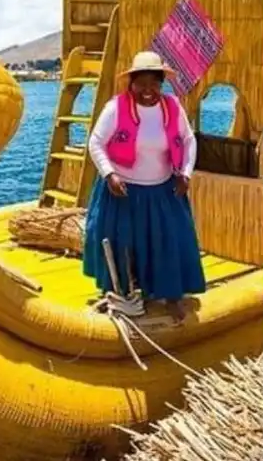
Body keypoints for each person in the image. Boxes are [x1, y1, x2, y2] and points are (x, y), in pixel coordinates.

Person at [83, 50, 205, 322]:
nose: (148, 90)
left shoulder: (172, 107)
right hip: (123, 191)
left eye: (154, 84)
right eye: (142, 84)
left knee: (170, 241)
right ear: (131, 84)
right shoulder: (116, 108)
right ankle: (120, 293)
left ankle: (172, 296)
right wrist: (109, 174)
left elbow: (188, 140)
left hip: (163, 189)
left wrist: (185, 173)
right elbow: (96, 143)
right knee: (121, 243)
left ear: (161, 84)